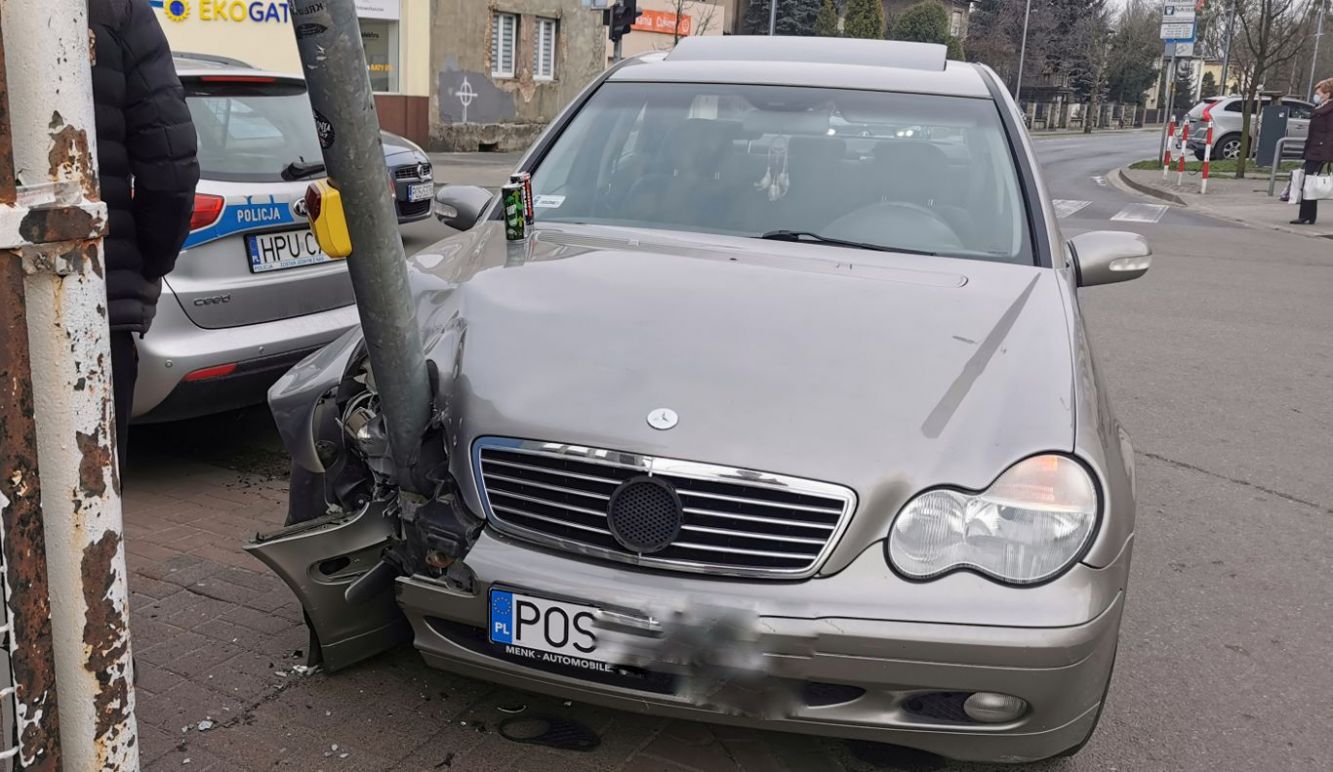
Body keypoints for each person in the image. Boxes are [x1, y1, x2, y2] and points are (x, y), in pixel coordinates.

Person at [88, 0, 199, 469]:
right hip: (89, 304)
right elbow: (170, 170)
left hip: (94, 298)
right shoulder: (116, 10)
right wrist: (148, 267)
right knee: (87, 493)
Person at [1293, 78, 1333, 225]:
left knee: (1309, 181)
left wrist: (1326, 153)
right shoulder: (1321, 108)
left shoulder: (1328, 111)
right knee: (1310, 181)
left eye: (1319, 93)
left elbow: (1330, 132)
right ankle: (1309, 215)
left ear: (1327, 94)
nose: (1316, 95)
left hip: (1319, 150)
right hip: (1314, 148)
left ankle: (1305, 215)